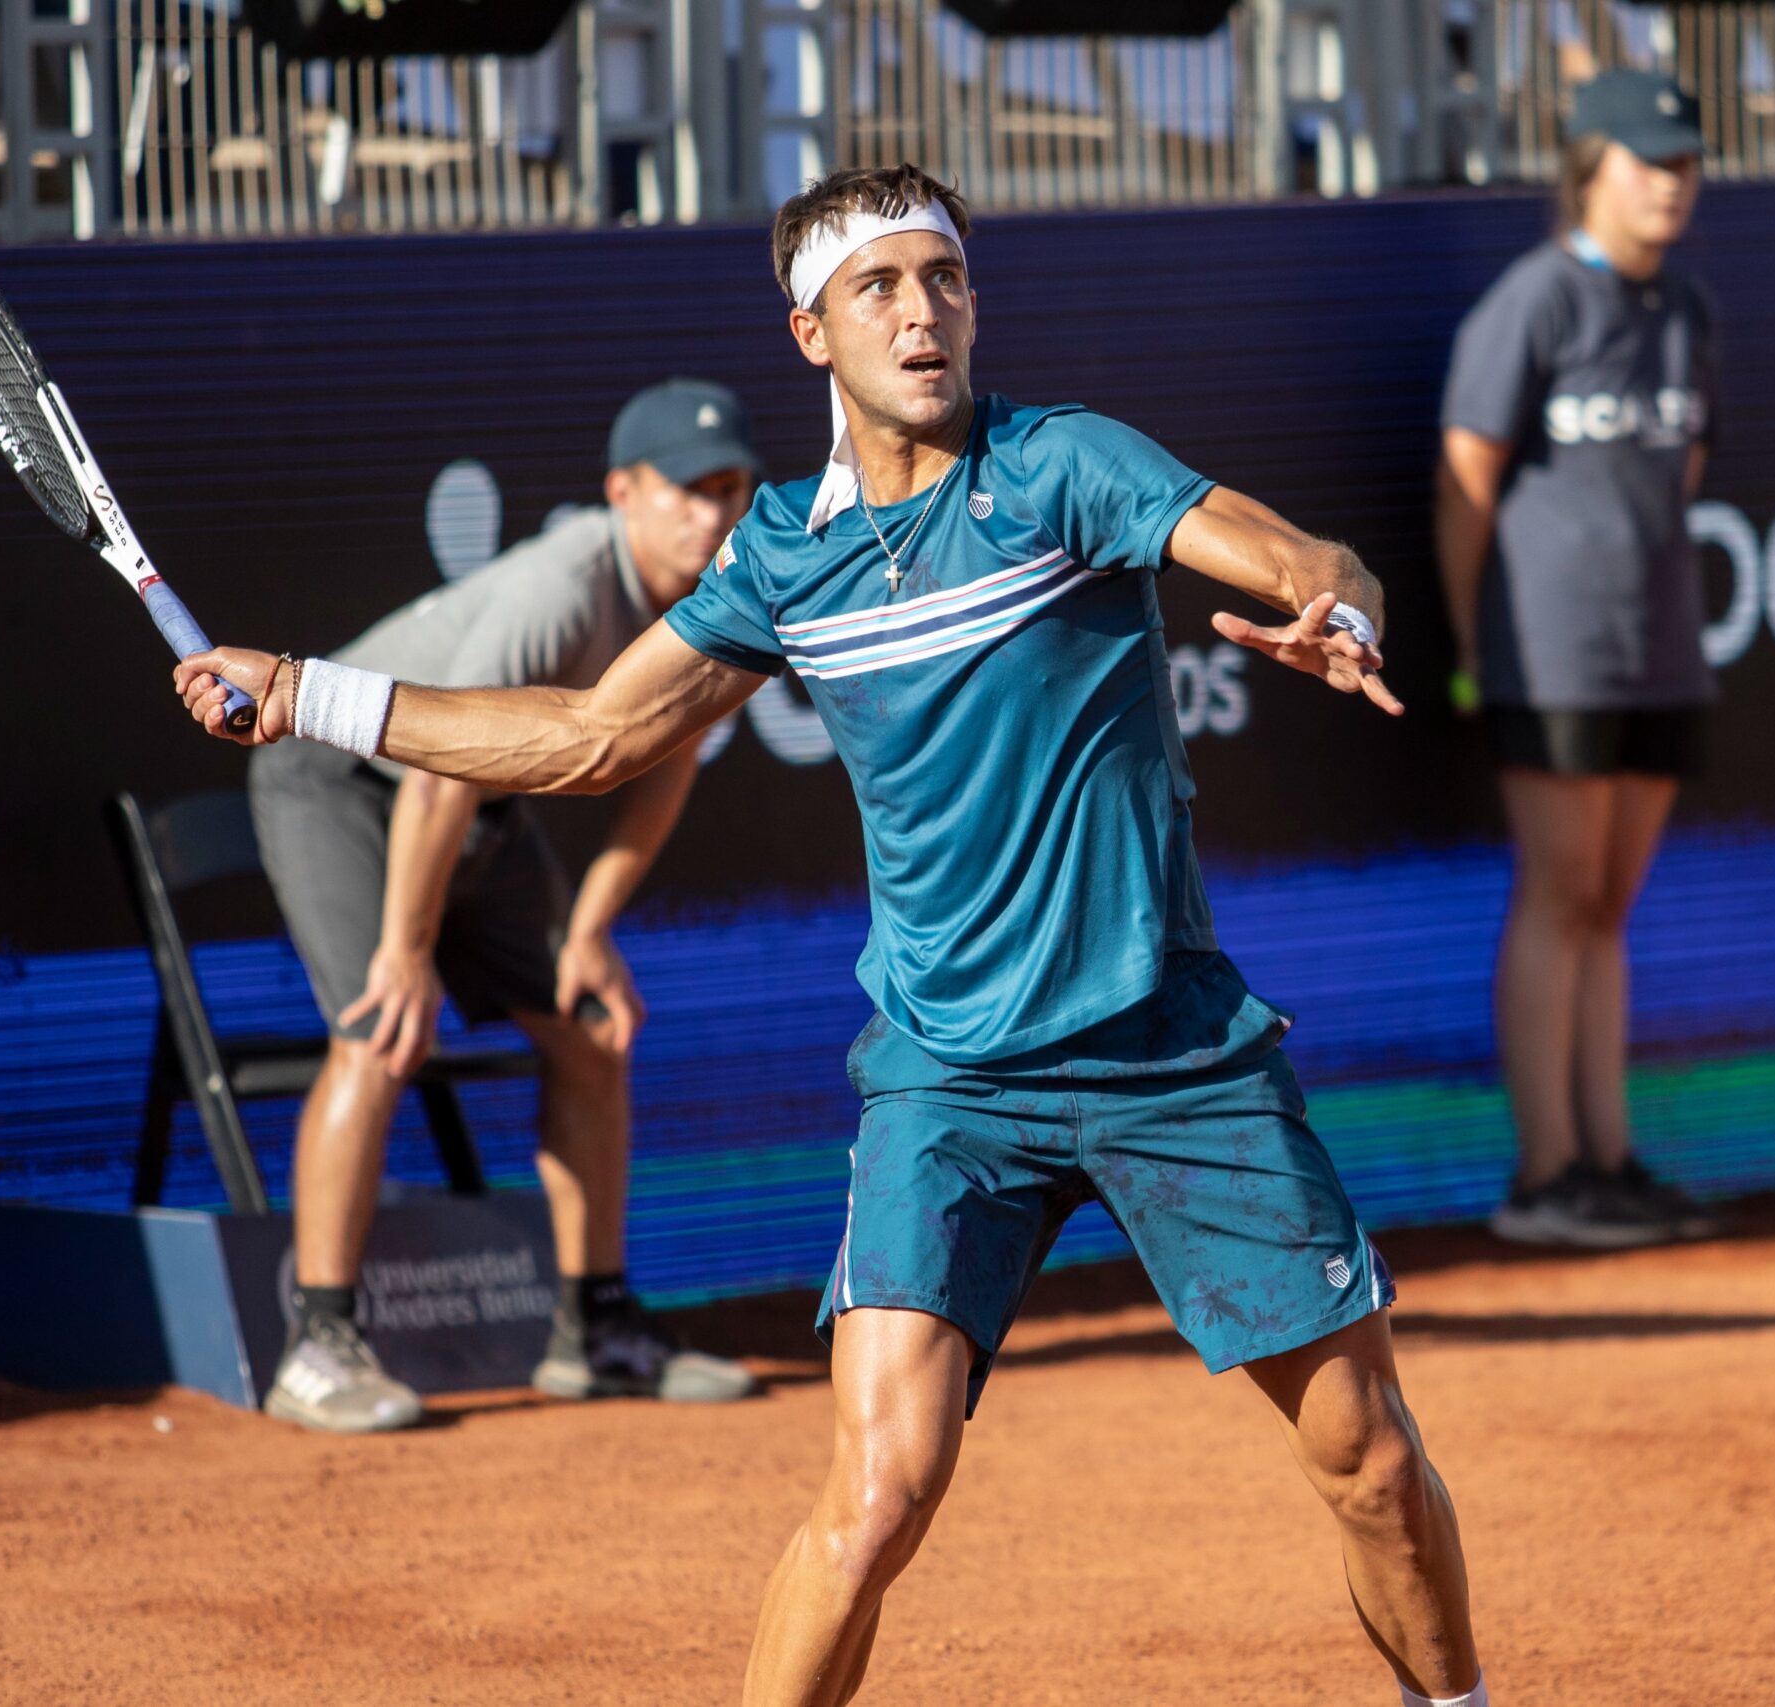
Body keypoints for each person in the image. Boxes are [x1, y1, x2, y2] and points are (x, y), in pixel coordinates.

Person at [178, 164, 1489, 1707]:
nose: (924, 312)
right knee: (877, 1492)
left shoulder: (1063, 467)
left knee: (1371, 1460)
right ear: (812, 331)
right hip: (948, 1081)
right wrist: (316, 690)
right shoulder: (783, 553)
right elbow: (594, 734)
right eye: (881, 287)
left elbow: (1284, 547)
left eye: (946, 280)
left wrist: (1340, 605)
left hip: (1170, 1050)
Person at [245, 380, 766, 1432]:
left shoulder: (719, 599)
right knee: (381, 1031)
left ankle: (599, 1332)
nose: (714, 513)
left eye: (734, 489)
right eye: (690, 489)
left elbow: (666, 762)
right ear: (624, 491)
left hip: (473, 814)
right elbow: (437, 773)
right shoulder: (562, 586)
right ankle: (319, 1343)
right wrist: (405, 947)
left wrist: (589, 930)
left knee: (590, 1039)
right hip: (345, 780)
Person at [1434, 69, 1726, 1250]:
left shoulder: (1686, 312)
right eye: (1648, 163)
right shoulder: (1533, 301)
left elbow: (1685, 472)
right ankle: (1542, 1177)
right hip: (1544, 652)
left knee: (1609, 903)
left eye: (1685, 164)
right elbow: (1466, 478)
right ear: (1588, 169)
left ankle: (1607, 1161)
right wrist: (1469, 640)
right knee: (1559, 897)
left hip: (1659, 651)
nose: (1670, 185)